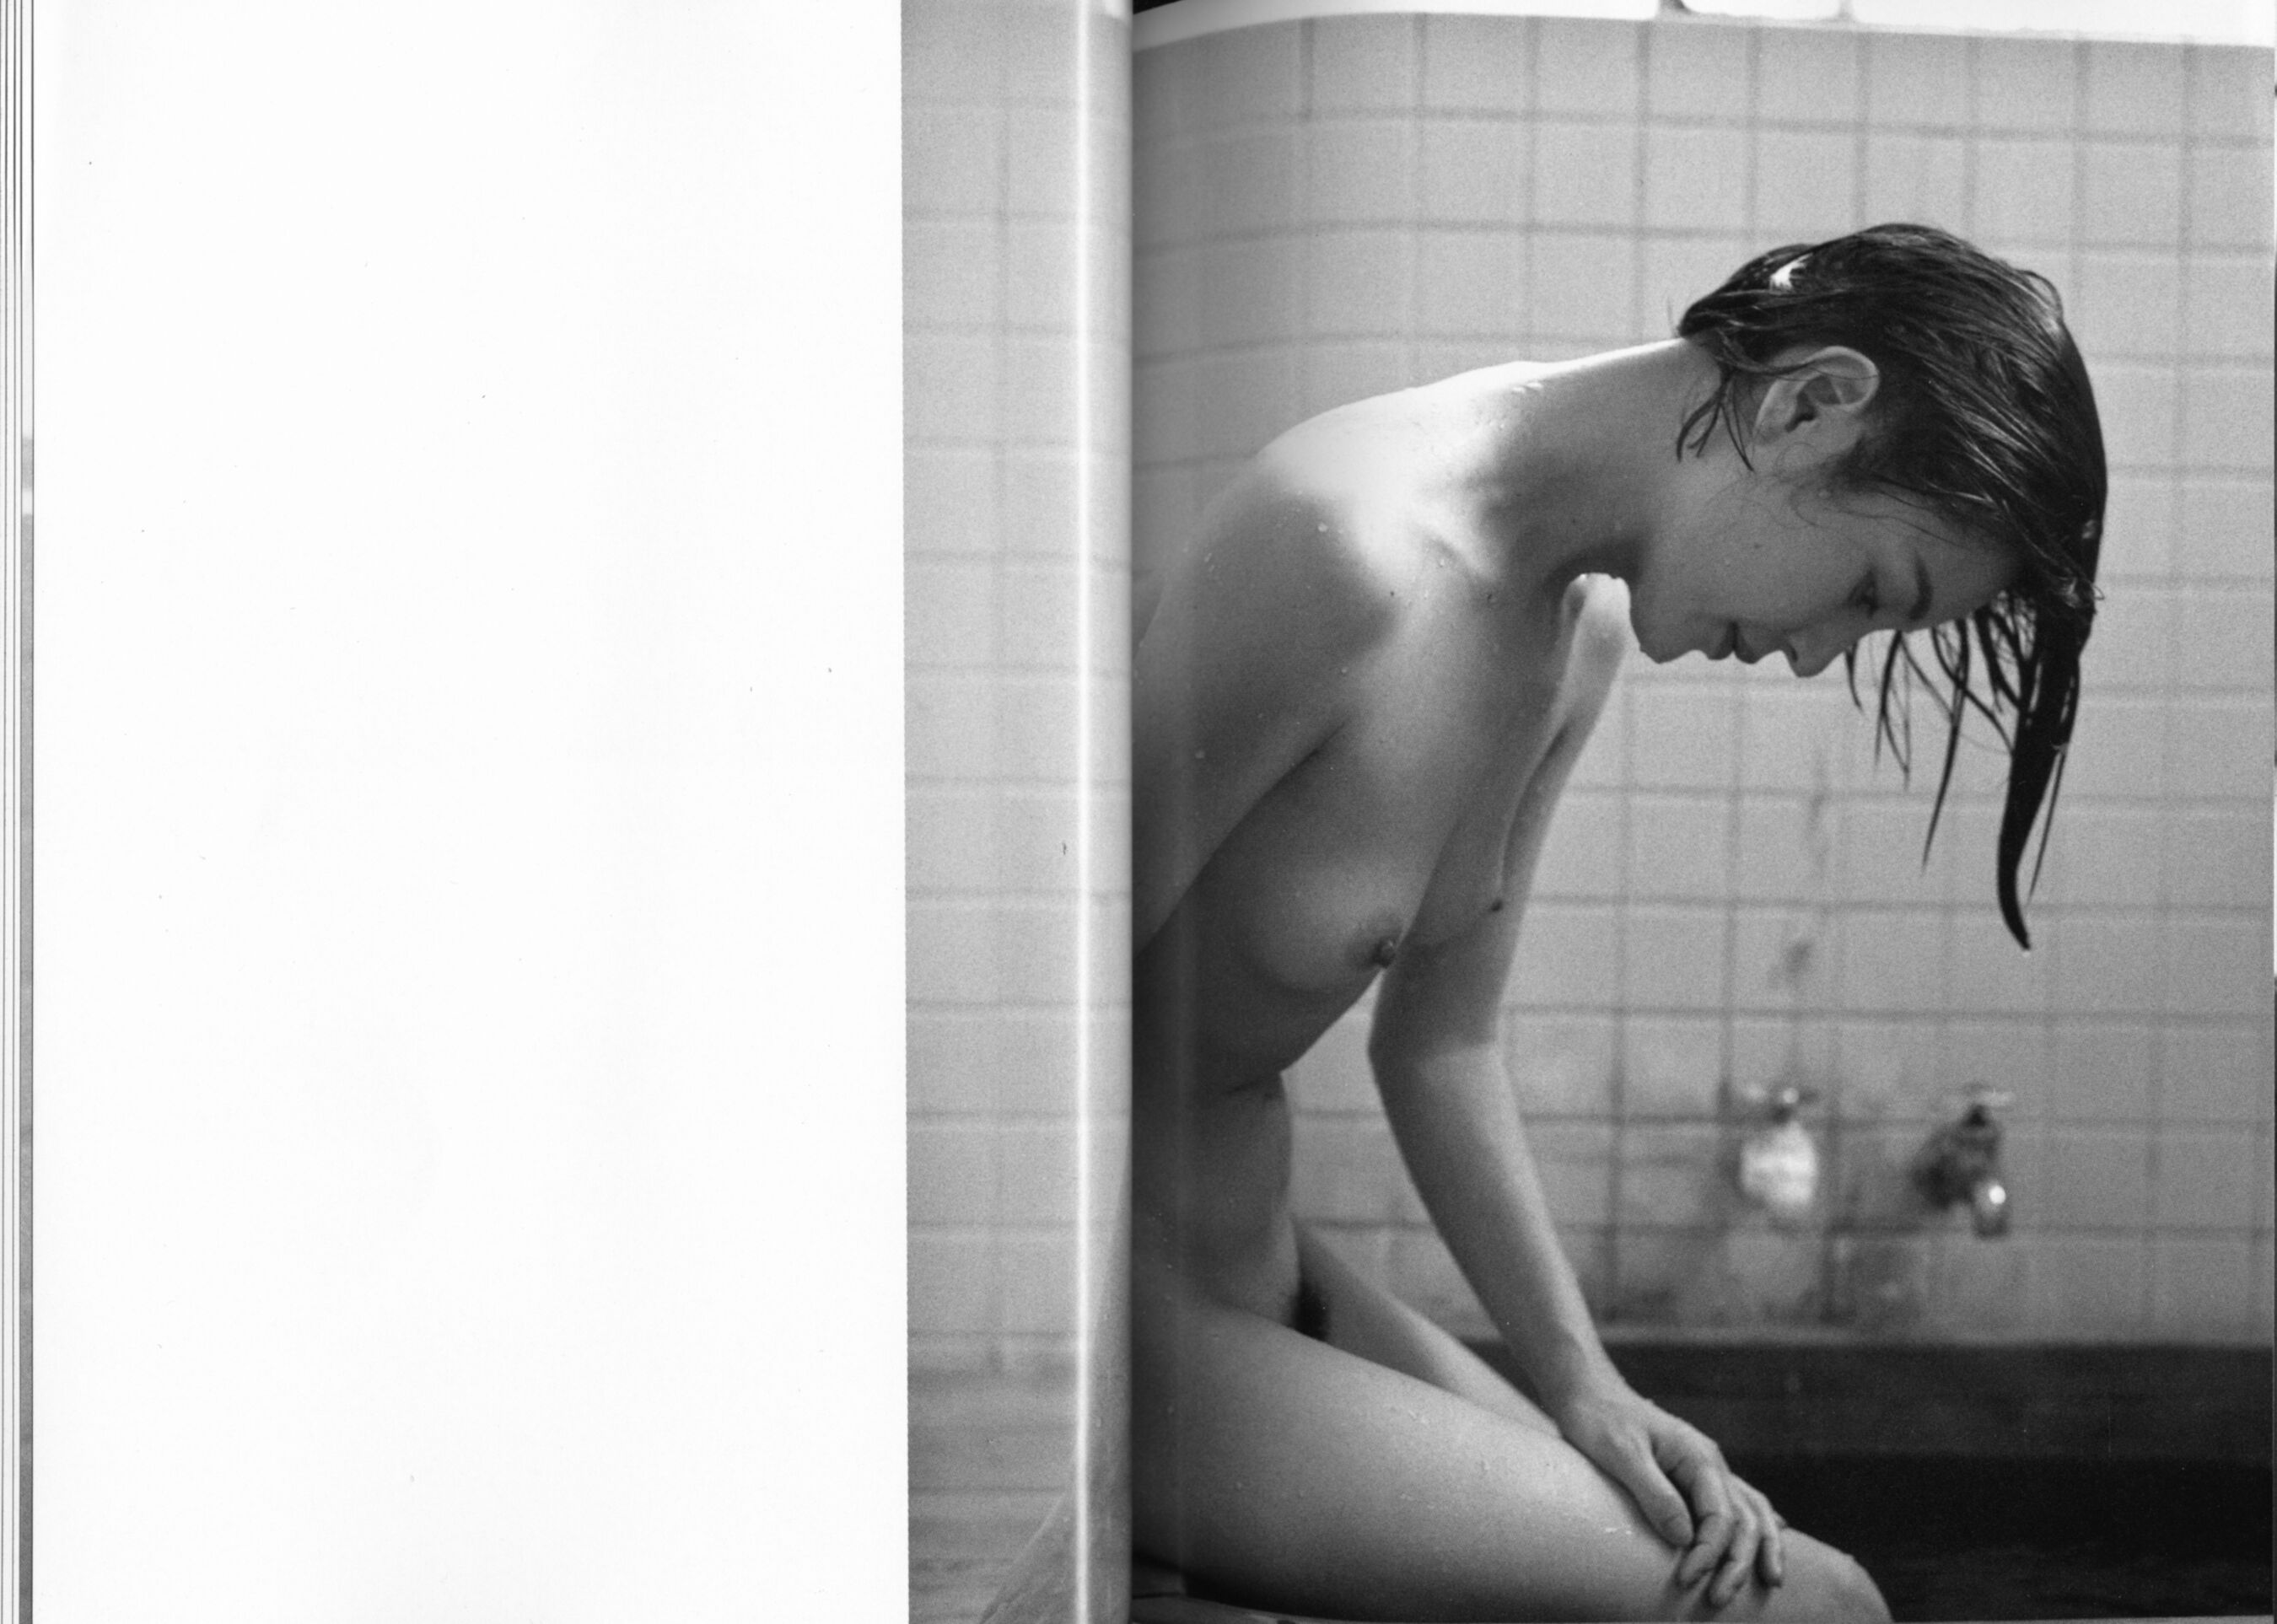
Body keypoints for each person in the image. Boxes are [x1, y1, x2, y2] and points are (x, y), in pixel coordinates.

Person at [1128, 223, 2105, 1622]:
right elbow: (1040, 1007)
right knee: (1819, 1614)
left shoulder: (1575, 631)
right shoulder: (1341, 543)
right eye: (1867, 593)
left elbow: (1441, 1047)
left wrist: (1588, 1384)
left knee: (1782, 1571)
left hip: (1263, 1273)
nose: (1817, 655)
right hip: (1119, 1332)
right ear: (1811, 402)